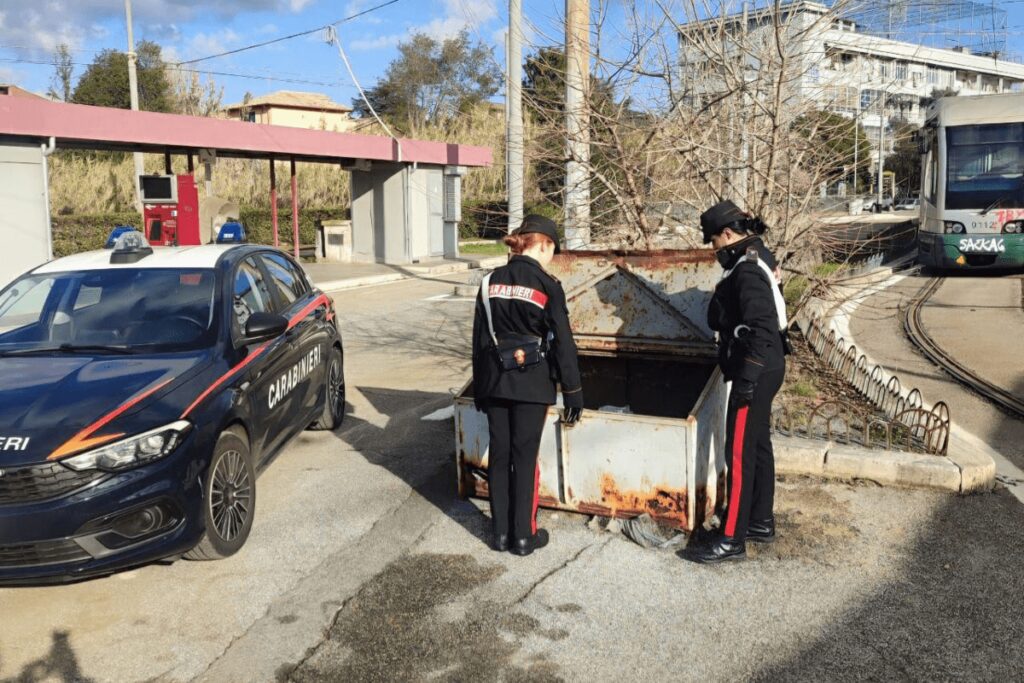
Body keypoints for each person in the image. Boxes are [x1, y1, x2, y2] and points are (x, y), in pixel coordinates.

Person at [472, 214, 584, 557]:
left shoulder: (488, 281)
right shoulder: (548, 285)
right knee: (524, 457)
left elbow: (478, 339)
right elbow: (563, 341)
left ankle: (500, 535)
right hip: (532, 383)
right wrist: (573, 390)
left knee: (500, 455)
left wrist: (480, 387)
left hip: (494, 379)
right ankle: (524, 536)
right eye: (553, 250)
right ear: (544, 245)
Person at [688, 200, 788, 564]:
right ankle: (760, 521)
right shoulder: (758, 254)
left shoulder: (745, 270)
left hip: (756, 368)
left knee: (740, 454)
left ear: (726, 234)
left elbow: (761, 328)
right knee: (759, 445)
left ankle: (732, 539)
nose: (713, 250)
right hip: (768, 365)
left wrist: (746, 379)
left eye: (712, 241)